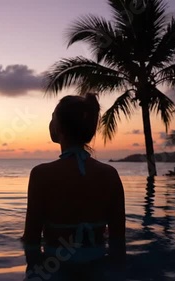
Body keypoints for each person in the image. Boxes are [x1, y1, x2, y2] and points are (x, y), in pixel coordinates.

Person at [21, 94, 126, 280]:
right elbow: (118, 240)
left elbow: (31, 240)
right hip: (98, 266)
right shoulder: (110, 174)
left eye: (52, 117)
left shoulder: (41, 174)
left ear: (59, 127)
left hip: (54, 267)